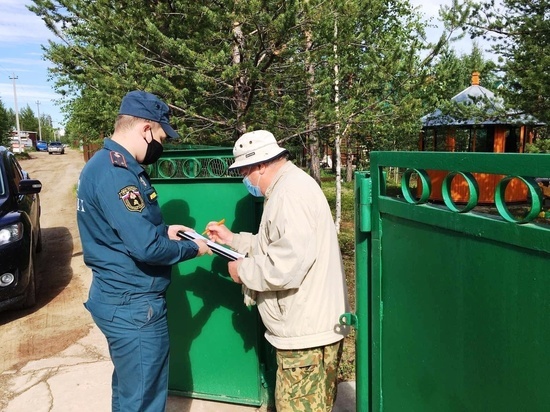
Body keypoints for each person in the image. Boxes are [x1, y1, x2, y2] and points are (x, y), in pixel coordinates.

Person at [76, 90, 211, 412]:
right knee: (143, 399)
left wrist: (164, 230)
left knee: (129, 389)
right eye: (162, 136)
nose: (160, 146)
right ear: (147, 129)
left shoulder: (102, 164)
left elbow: (118, 229)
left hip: (116, 297)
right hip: (133, 306)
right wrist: (194, 248)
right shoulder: (117, 174)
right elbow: (147, 248)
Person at [205, 130, 350, 411]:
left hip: (306, 336)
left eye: (245, 171)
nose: (245, 179)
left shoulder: (290, 195)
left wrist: (242, 271)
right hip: (305, 329)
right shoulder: (287, 188)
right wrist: (232, 239)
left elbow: (285, 266)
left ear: (260, 165)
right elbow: (273, 245)